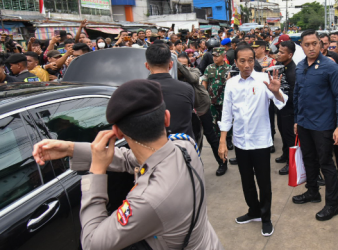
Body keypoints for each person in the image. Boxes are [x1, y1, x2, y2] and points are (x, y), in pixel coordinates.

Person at [32, 79, 224, 250]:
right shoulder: (185, 145)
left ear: (118, 132)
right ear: (166, 117)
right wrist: (70, 148)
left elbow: (92, 243)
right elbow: (129, 158)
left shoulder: (148, 199)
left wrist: (96, 173)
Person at [218, 45, 287, 237]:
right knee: (246, 180)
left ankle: (266, 218)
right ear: (236, 62)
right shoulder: (231, 84)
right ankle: (253, 211)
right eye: (242, 61)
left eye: (250, 60)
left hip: (261, 142)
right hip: (240, 141)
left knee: (264, 182)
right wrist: (223, 140)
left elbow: (281, 103)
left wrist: (276, 92)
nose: (247, 64)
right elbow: (226, 113)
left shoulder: (264, 79)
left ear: (254, 61)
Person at [293, 30, 338, 221]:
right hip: (305, 123)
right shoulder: (300, 67)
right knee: (309, 159)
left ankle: (333, 204)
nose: (311, 47)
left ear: (320, 44)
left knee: (326, 164)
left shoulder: (330, 67)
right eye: (307, 44)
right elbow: (297, 95)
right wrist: (297, 120)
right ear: (302, 46)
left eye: (314, 43)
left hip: (323, 124)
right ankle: (312, 192)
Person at [145, 43, 195, 138]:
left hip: (150, 148)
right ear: (171, 65)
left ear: (147, 66)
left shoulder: (136, 91)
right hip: (182, 147)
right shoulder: (187, 88)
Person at [201, 47, 232, 176]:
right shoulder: (209, 68)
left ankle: (227, 141)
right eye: (213, 55)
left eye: (217, 55)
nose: (215, 57)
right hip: (212, 104)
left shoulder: (229, 69)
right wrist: (204, 98)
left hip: (225, 104)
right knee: (214, 130)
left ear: (223, 55)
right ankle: (222, 158)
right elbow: (204, 84)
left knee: (228, 127)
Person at [274, 41, 297, 175]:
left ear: (290, 55)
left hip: (289, 110)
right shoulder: (281, 66)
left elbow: (295, 94)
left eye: (282, 52)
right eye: (279, 51)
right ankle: (284, 154)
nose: (279, 54)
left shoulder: (293, 71)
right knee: (282, 132)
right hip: (281, 108)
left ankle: (290, 162)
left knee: (290, 137)